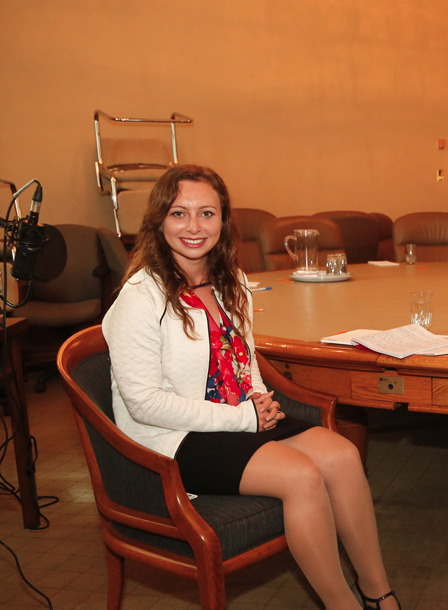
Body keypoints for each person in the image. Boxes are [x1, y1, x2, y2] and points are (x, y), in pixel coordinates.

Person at [103, 165, 400, 610]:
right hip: (173, 438)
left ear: (223, 221)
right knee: (301, 476)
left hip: (235, 417)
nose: (193, 226)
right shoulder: (140, 297)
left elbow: (243, 359)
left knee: (342, 455)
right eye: (179, 213)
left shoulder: (232, 281)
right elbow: (144, 403)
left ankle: (380, 595)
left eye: (207, 213)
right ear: (159, 220)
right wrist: (245, 416)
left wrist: (258, 398)